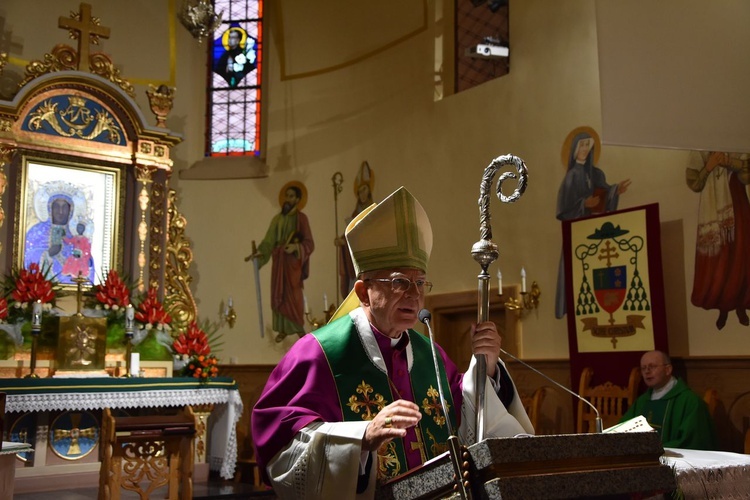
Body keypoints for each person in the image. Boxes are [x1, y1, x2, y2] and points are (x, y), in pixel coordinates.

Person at [252, 186, 533, 499]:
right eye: (400, 282)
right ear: (363, 292)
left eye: (421, 283)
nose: (414, 295)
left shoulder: (430, 354)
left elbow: (468, 420)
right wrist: (362, 438)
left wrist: (487, 366)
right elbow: (280, 447)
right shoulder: (317, 354)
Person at [555, 127, 631, 318]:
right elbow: (564, 210)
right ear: (574, 149)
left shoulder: (595, 173)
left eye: (588, 146)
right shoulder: (571, 177)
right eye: (582, 146)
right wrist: (583, 204)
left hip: (595, 233)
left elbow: (604, 193)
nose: (585, 150)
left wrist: (614, 191)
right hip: (578, 235)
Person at [686, 151, 750, 330]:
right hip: (714, 211)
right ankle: (724, 307)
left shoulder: (737, 141)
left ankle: (740, 305)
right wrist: (709, 165)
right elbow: (694, 184)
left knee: (741, 256)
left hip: (738, 205)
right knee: (720, 260)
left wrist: (730, 162)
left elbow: (746, 177)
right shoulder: (699, 149)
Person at [620, 350, 717, 450]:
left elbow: (692, 441)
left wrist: (653, 449)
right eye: (643, 368)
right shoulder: (642, 401)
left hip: (673, 462)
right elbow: (621, 431)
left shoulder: (689, 401)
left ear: (668, 369)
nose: (647, 371)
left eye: (652, 366)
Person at [254, 182, 314, 342]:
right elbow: (268, 241)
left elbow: (309, 243)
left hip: (293, 264)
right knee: (278, 293)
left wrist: (295, 247)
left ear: (298, 199)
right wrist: (260, 253)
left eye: (291, 196)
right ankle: (282, 329)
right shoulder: (277, 219)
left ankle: (298, 327)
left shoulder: (302, 219)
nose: (288, 199)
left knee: (293, 294)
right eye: (286, 196)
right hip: (279, 263)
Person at [337, 161, 375, 299]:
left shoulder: (375, 211)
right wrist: (342, 240)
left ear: (369, 190)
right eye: (359, 192)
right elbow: (350, 232)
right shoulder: (355, 213)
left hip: (369, 258)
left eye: (364, 190)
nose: (361, 194)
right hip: (355, 262)